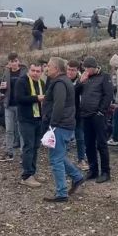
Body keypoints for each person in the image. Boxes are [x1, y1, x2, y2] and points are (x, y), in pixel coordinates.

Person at [41, 57, 85, 202]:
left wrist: (52, 124)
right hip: (64, 124)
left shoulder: (59, 83)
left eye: (49, 66)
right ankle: (77, 177)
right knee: (59, 155)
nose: (46, 68)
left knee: (55, 159)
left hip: (60, 125)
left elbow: (59, 105)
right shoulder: (62, 81)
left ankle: (61, 193)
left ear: (56, 68)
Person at [76, 56, 113, 183]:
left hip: (97, 115)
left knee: (101, 144)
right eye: (84, 68)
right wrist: (80, 82)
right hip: (85, 115)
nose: (86, 70)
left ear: (94, 67)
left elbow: (108, 95)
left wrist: (101, 111)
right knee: (89, 144)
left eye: (87, 68)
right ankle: (93, 170)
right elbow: (75, 92)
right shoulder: (85, 78)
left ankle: (105, 172)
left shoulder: (105, 77)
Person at [14, 62, 46, 188]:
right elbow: (19, 98)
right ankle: (26, 176)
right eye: (33, 71)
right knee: (28, 146)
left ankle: (32, 172)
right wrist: (36, 98)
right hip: (26, 119)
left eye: (38, 71)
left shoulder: (41, 83)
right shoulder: (21, 82)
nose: (35, 73)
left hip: (38, 118)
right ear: (29, 71)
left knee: (35, 146)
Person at [0, 53, 27, 162]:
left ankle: (23, 153)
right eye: (11, 61)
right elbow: (1, 90)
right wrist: (1, 88)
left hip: (20, 105)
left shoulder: (24, 72)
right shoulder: (6, 73)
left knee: (21, 130)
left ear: (18, 61)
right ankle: (9, 152)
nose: (13, 63)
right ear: (8, 63)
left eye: (15, 61)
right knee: (9, 129)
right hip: (9, 105)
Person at [67, 60, 88, 170]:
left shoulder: (82, 81)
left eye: (73, 70)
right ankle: (62, 160)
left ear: (77, 71)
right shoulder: (62, 80)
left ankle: (81, 159)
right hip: (66, 114)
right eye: (69, 69)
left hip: (78, 112)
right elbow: (70, 93)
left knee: (80, 137)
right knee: (65, 138)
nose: (70, 72)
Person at [107, 54, 118, 146]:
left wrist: (116, 101)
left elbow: (114, 87)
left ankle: (115, 138)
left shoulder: (116, 73)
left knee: (116, 118)